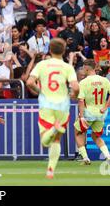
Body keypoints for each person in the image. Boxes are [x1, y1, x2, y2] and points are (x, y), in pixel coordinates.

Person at [26, 38, 79, 179]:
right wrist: (74, 95)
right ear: (63, 51)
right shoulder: (67, 67)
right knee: (56, 140)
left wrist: (39, 91)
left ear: (50, 49)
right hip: (63, 105)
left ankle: (54, 129)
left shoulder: (42, 65)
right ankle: (50, 169)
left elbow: (29, 81)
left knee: (45, 140)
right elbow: (76, 87)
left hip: (46, 104)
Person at [74, 59, 110, 165]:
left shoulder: (83, 82)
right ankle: (108, 156)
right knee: (96, 136)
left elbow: (81, 100)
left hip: (88, 113)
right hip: (101, 113)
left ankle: (86, 158)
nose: (82, 69)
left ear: (87, 68)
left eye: (83, 67)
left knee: (78, 133)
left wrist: (82, 116)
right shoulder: (104, 80)